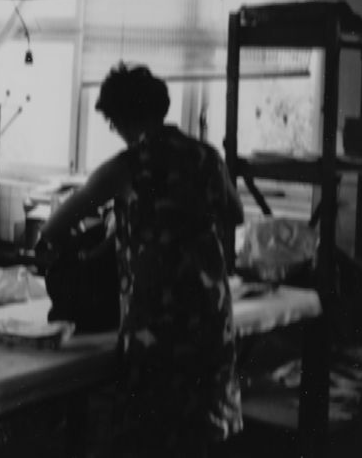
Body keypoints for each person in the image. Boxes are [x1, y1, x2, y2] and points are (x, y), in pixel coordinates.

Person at [36, 63, 244, 457]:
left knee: (153, 439)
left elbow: (54, 227)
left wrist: (79, 250)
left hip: (158, 325)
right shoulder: (206, 157)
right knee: (200, 436)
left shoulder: (127, 167)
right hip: (210, 318)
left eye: (112, 121)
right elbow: (234, 214)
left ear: (120, 117)